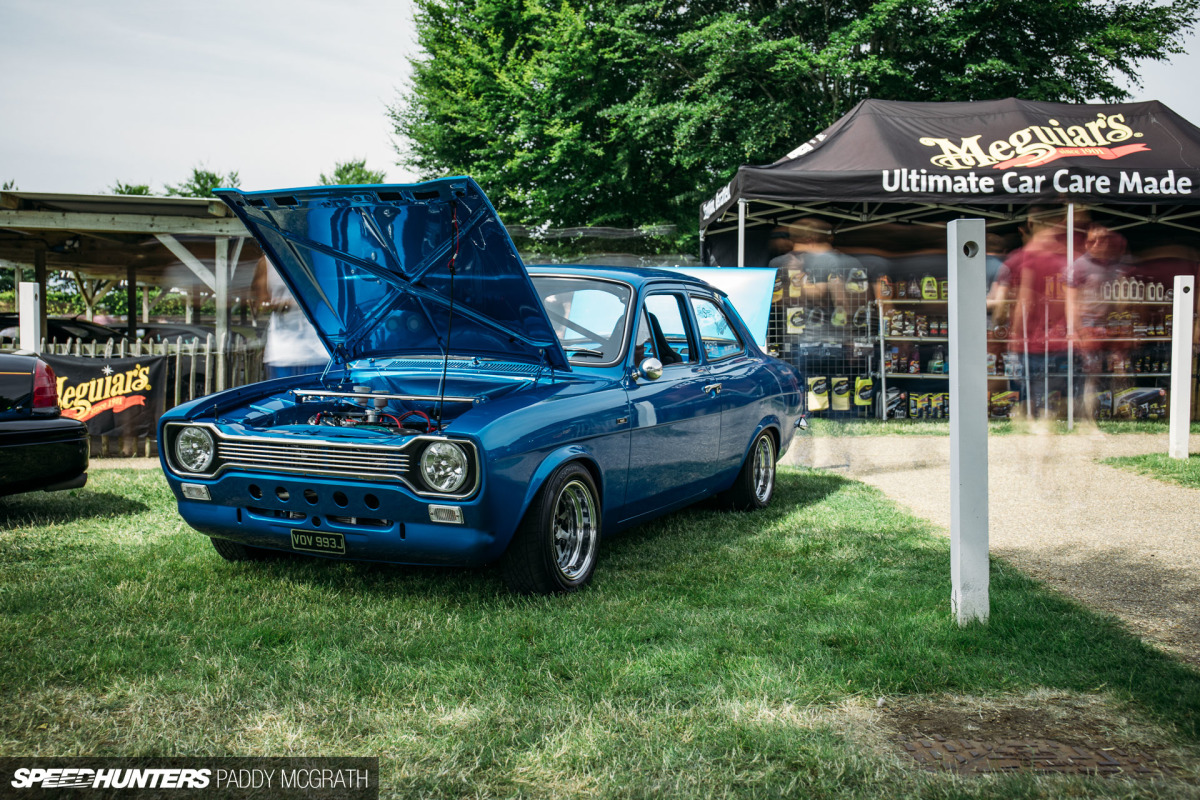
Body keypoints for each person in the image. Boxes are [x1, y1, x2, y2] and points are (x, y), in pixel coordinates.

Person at [251, 256, 327, 380]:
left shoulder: (318, 257)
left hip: (321, 353)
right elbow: (260, 302)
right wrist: (287, 304)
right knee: (284, 399)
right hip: (285, 354)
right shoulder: (266, 262)